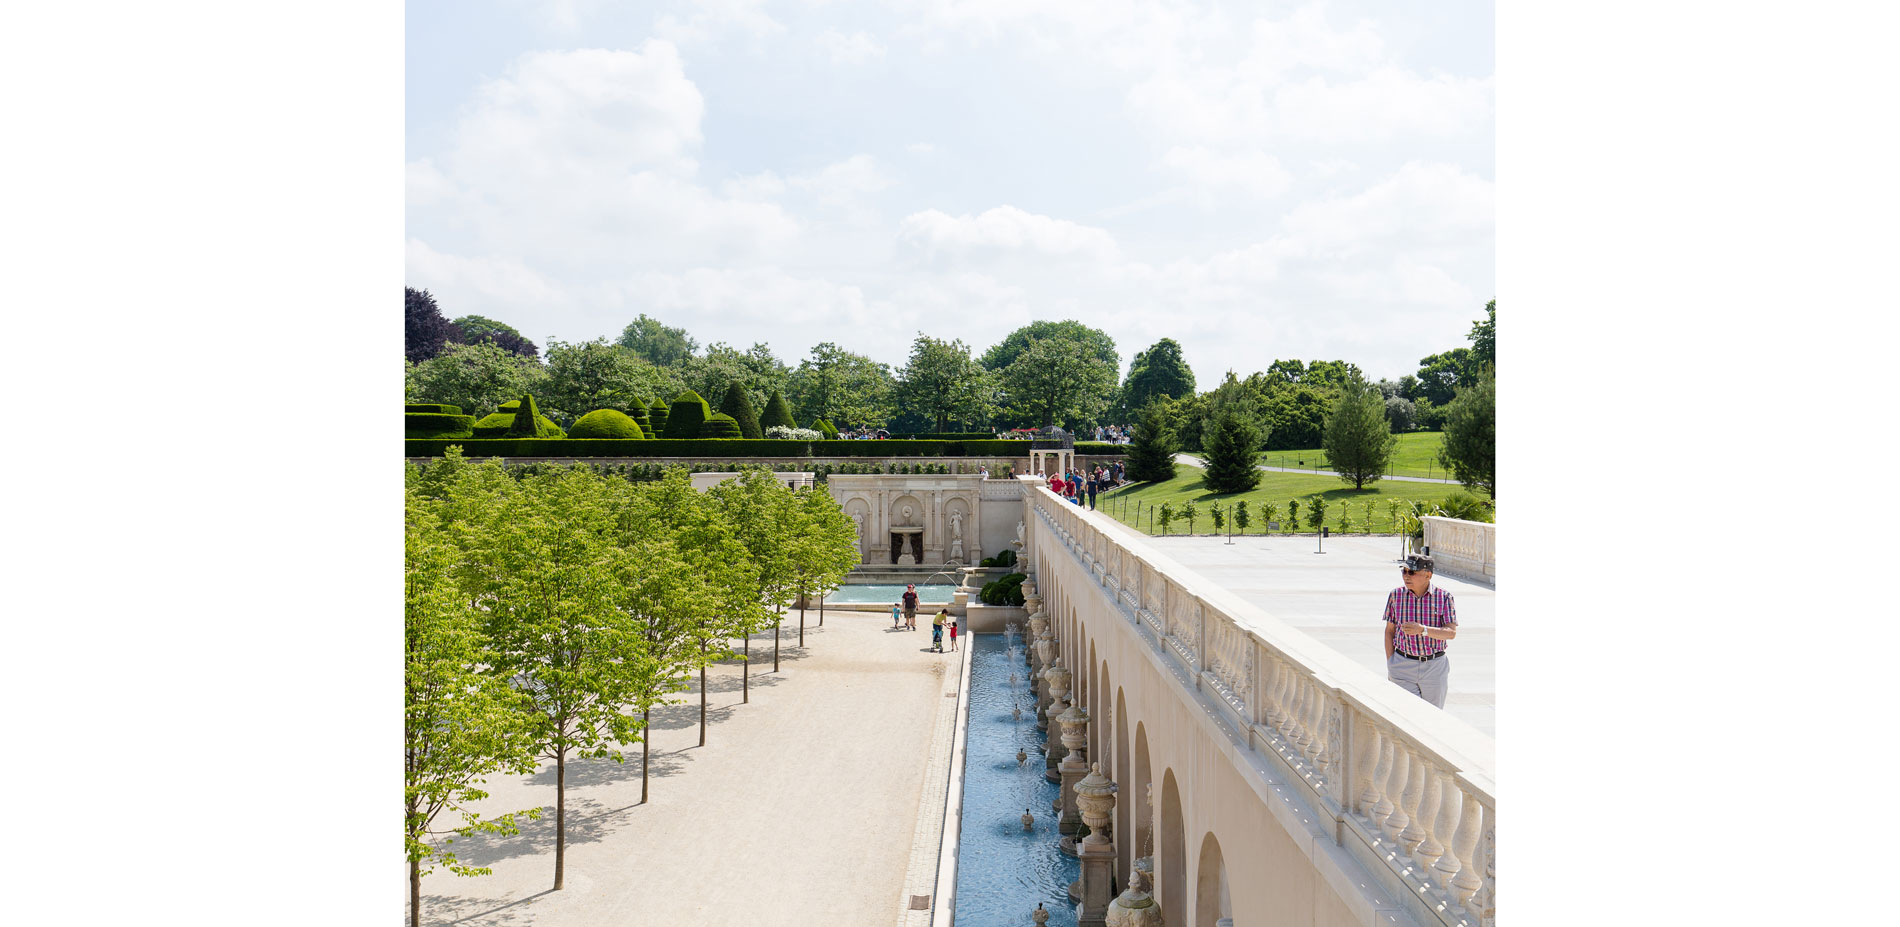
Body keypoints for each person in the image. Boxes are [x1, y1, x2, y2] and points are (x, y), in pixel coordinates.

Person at [1382, 553, 1458, 708]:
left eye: (1412, 572)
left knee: (1432, 717)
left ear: (1428, 575)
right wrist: (1391, 662)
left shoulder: (1444, 597)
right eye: (1404, 571)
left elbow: (1451, 633)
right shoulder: (1396, 596)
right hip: (1402, 666)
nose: (1406, 576)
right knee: (1406, 714)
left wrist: (1423, 630)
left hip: (1434, 667)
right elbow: (1389, 631)